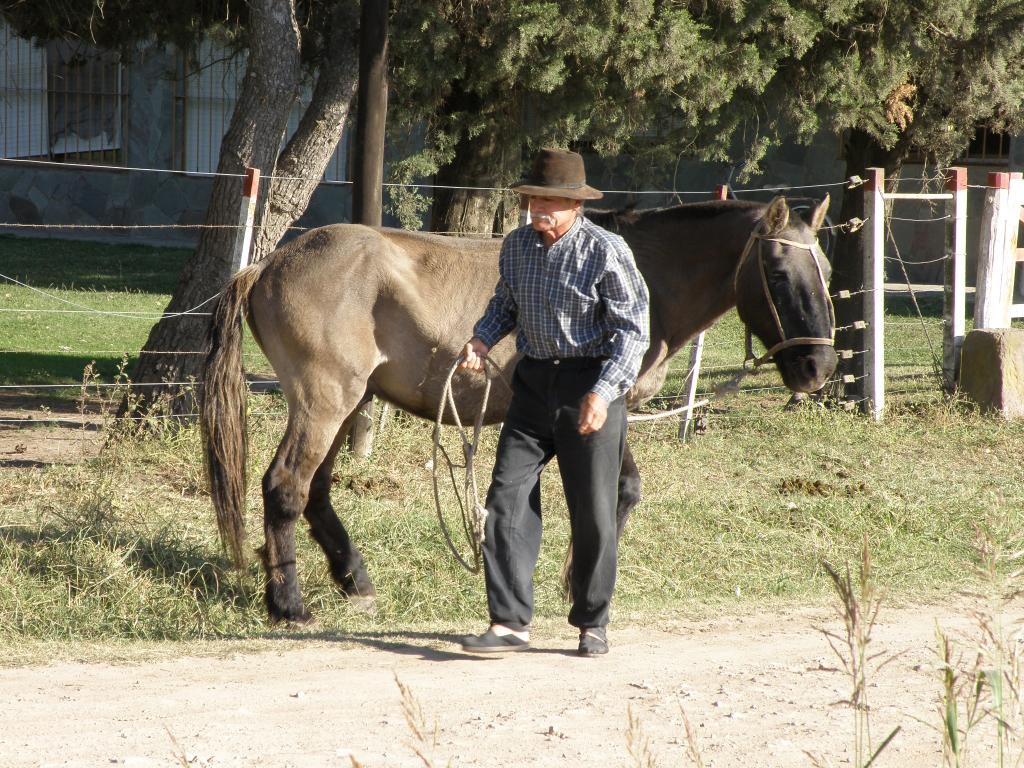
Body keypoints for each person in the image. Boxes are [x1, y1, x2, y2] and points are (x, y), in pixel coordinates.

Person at [458, 147, 650, 657]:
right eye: (533, 199)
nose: (538, 208)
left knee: (593, 511)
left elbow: (633, 332)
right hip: (533, 385)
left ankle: (592, 622)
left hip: (590, 384)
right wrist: (481, 340)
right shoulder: (518, 245)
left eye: (550, 201)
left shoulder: (606, 251)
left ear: (576, 205)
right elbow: (505, 304)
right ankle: (509, 623)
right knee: (506, 497)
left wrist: (603, 393)